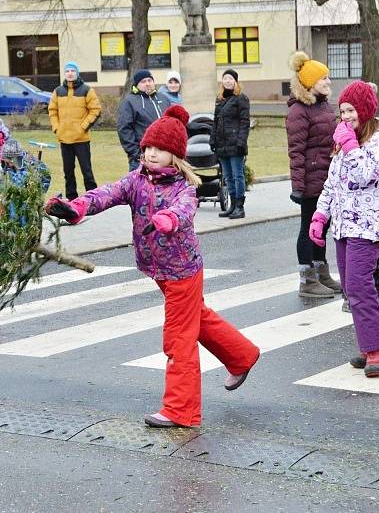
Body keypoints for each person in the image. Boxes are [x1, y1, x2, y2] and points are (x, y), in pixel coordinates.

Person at [45, 105, 260, 428]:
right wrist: (74, 208)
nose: (151, 154)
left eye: (159, 149)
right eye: (147, 148)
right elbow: (106, 193)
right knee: (196, 319)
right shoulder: (137, 180)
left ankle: (181, 410)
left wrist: (168, 219)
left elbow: (185, 210)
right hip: (159, 268)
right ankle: (242, 356)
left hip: (183, 271)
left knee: (178, 337)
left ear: (175, 155)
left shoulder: (183, 187)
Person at [309, 81, 379, 377]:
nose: (346, 116)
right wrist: (320, 216)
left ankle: (378, 352)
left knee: (361, 288)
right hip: (343, 225)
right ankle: (371, 344)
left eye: (351, 110)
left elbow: (366, 174)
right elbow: (333, 181)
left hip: (367, 226)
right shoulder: (347, 137)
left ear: (364, 109)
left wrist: (349, 146)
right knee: (352, 291)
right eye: (342, 111)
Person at [286, 51, 341, 299]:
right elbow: (295, 151)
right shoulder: (299, 111)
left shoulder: (324, 105)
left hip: (327, 178)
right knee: (308, 227)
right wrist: (298, 186)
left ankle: (321, 272)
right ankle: (306, 279)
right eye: (324, 78)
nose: (328, 82)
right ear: (310, 83)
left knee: (323, 226)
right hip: (310, 180)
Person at [48, 61, 101, 199]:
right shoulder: (58, 91)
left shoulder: (86, 90)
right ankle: (72, 199)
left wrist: (83, 127)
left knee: (87, 171)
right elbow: (52, 111)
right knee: (68, 172)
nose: (70, 73)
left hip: (81, 139)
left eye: (73, 71)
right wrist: (56, 128)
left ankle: (93, 198)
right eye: (67, 71)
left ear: (77, 73)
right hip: (64, 139)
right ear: (64, 74)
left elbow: (95, 110)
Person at [211, 69, 249, 219]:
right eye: (225, 78)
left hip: (235, 144)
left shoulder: (241, 99)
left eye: (230, 78)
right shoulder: (220, 99)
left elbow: (245, 122)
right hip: (222, 144)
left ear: (235, 81)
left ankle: (240, 206)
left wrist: (241, 141)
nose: (227, 81)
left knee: (237, 175)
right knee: (227, 176)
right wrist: (212, 139)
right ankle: (232, 205)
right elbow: (215, 121)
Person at [117, 69, 169, 172]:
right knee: (142, 186)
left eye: (150, 80)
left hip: (165, 154)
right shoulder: (130, 101)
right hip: (141, 157)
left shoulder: (163, 98)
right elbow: (124, 129)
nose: (147, 84)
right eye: (143, 81)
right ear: (137, 85)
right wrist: (136, 153)